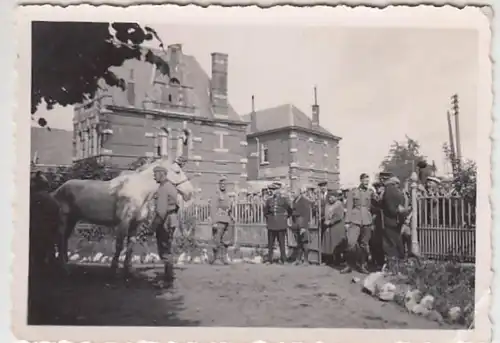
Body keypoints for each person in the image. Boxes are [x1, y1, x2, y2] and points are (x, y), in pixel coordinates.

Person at [150, 165, 180, 288]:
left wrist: (152, 227)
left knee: (165, 250)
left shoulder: (163, 188)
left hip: (165, 222)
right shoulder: (171, 186)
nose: (154, 176)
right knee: (167, 249)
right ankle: (169, 278)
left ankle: (168, 280)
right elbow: (176, 206)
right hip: (171, 220)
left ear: (162, 174)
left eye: (155, 173)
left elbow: (161, 211)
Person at [343, 173, 377, 274]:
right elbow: (349, 207)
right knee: (350, 243)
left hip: (367, 220)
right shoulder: (353, 192)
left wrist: (373, 220)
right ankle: (349, 265)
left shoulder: (371, 192)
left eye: (368, 181)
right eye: (365, 181)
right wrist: (347, 222)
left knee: (364, 244)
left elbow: (373, 206)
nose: (367, 183)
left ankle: (362, 265)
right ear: (361, 180)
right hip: (355, 220)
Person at [264, 182, 293, 264]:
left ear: (278, 190)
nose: (272, 191)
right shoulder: (269, 200)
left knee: (282, 243)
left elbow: (290, 211)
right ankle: (270, 260)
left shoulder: (284, 200)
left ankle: (284, 259)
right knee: (270, 244)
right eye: (271, 190)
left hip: (281, 224)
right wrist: (270, 219)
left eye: (274, 189)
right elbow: (265, 212)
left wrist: (284, 218)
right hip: (271, 224)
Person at [380, 176, 407, 261]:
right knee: (398, 241)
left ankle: (393, 264)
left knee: (390, 243)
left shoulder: (388, 190)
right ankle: (400, 260)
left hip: (390, 220)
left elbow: (390, 207)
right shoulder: (398, 192)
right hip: (398, 220)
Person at [209, 176, 234, 265]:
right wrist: (214, 222)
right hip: (219, 220)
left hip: (226, 220)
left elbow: (229, 208)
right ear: (219, 185)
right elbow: (213, 208)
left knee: (225, 241)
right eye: (221, 184)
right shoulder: (216, 195)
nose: (223, 186)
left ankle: (224, 258)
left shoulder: (227, 196)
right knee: (217, 240)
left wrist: (231, 217)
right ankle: (216, 258)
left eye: (225, 184)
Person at [321, 190, 346, 266]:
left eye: (332, 197)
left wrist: (331, 221)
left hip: (336, 227)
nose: (330, 199)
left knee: (336, 244)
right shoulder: (327, 205)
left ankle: (338, 260)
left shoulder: (339, 205)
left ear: (336, 197)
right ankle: (329, 259)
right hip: (328, 227)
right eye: (329, 197)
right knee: (329, 244)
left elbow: (339, 216)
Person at [291, 186, 313, 265]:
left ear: (299, 192)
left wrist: (304, 227)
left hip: (302, 222)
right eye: (292, 192)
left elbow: (307, 214)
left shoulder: (304, 201)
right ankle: (298, 259)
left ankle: (306, 260)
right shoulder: (294, 201)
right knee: (298, 242)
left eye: (293, 192)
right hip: (296, 223)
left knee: (304, 242)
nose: (292, 194)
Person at [369, 181, 386, 269]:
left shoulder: (385, 196)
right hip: (377, 222)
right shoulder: (375, 198)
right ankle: (377, 261)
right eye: (376, 187)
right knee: (376, 242)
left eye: (379, 187)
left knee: (382, 243)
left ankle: (382, 262)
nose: (377, 189)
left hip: (384, 222)